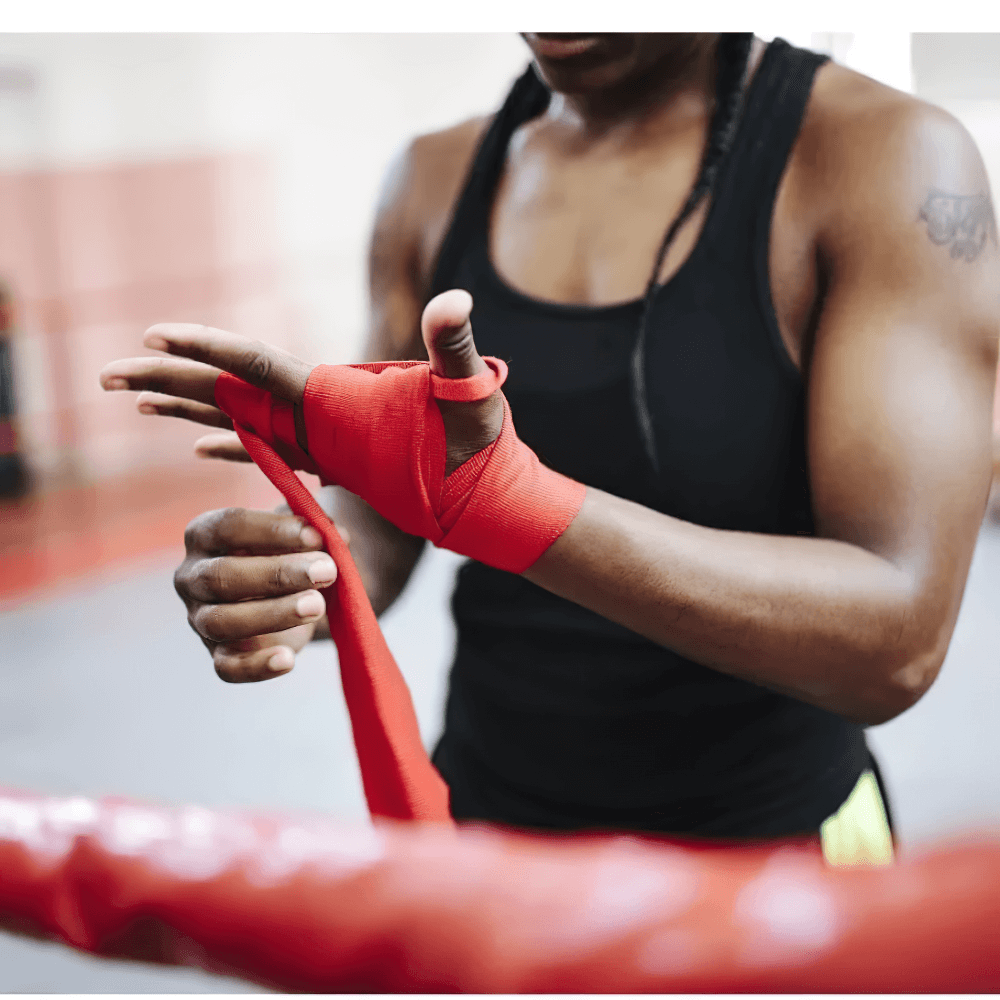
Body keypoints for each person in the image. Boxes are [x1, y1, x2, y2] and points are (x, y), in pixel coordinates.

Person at [102, 34, 999, 860]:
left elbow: (897, 642)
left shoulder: (883, 159)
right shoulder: (432, 177)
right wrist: (311, 565)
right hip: (491, 838)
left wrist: (515, 506)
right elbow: (389, 515)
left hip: (778, 851)